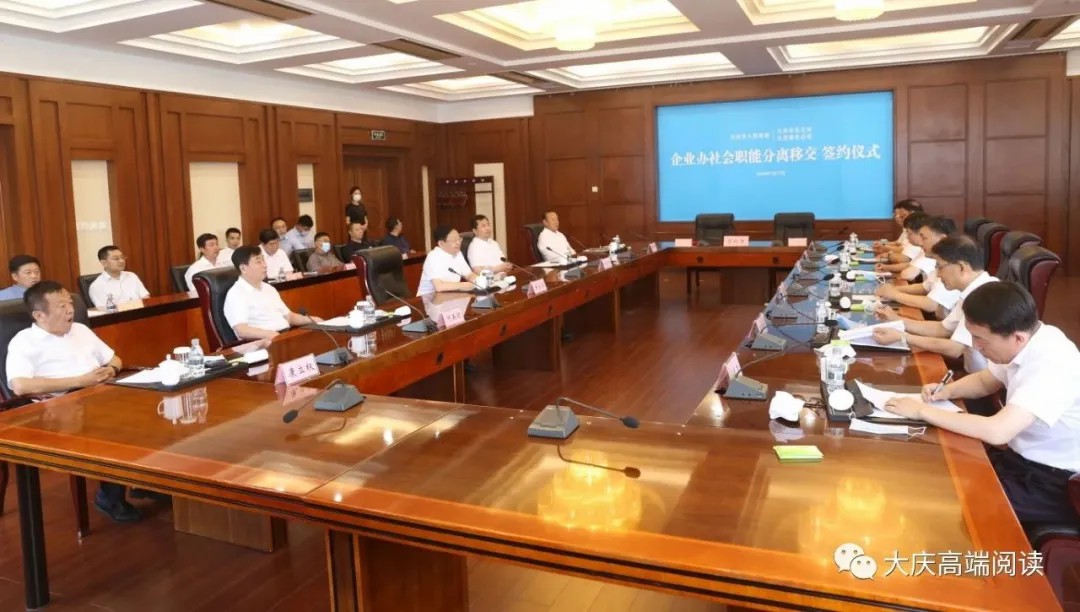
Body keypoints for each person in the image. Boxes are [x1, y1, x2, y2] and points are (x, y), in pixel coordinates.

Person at [884, 281, 1080, 526]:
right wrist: (946, 391)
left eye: (980, 339)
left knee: (953, 505)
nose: (975, 346)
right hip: (1019, 461)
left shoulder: (1053, 364)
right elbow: (986, 381)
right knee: (939, 473)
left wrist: (922, 411)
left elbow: (998, 431)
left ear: (1018, 338)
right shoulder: (1027, 338)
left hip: (1055, 484)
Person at [5, 281, 139, 522]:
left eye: (70, 303)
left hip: (99, 395)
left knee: (148, 413)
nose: (70, 310)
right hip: (58, 409)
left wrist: (110, 369)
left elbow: (115, 359)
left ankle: (146, 483)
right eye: (61, 306)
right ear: (39, 315)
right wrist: (80, 381)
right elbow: (20, 385)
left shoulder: (80, 330)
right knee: (115, 428)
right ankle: (110, 497)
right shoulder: (24, 341)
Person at [872, 235, 998, 375]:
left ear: (961, 267)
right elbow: (942, 329)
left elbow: (954, 348)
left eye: (940, 267)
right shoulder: (972, 290)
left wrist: (903, 337)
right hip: (971, 372)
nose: (937, 274)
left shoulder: (986, 295)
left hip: (983, 381)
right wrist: (898, 321)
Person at [224, 246, 321, 340]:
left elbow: (289, 317)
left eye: (263, 260)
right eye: (258, 262)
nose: (265, 265)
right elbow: (241, 330)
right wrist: (270, 335)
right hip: (262, 342)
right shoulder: (236, 294)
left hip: (285, 335)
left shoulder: (269, 288)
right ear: (243, 268)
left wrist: (313, 319)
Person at [875, 216, 960, 312]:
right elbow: (924, 287)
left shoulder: (953, 264)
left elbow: (931, 304)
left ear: (942, 239)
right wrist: (894, 289)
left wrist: (895, 295)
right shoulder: (939, 259)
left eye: (924, 238)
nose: (920, 243)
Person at [417, 225, 478, 295]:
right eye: (454, 240)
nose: (458, 243)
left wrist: (481, 281)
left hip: (451, 295)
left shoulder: (458, 253)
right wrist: (465, 285)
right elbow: (439, 286)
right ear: (441, 243)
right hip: (428, 298)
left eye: (459, 239)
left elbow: (469, 275)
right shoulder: (434, 256)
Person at [184, 233, 231, 297]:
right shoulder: (195, 269)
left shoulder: (223, 266)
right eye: (211, 245)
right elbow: (196, 294)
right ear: (202, 249)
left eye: (217, 244)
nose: (216, 247)